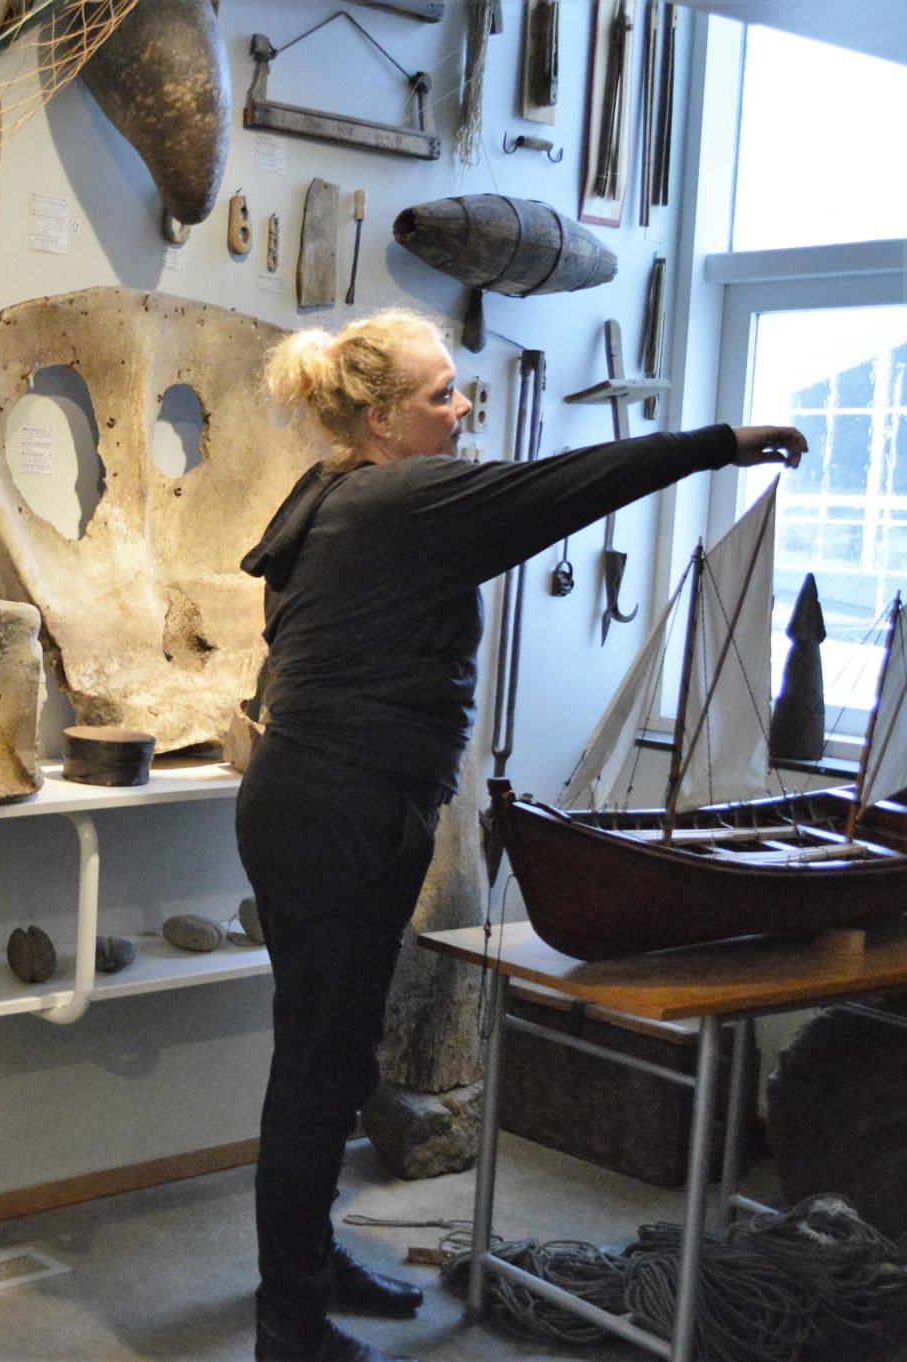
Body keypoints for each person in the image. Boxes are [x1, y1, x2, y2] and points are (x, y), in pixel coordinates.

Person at [237, 309, 804, 1362]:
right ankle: (290, 1324)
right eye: (440, 394)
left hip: (323, 802)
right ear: (380, 418)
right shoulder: (405, 497)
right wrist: (720, 443)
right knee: (318, 1068)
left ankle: (308, 1268)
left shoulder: (333, 492)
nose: (462, 408)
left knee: (331, 1057)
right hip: (341, 809)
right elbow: (572, 483)